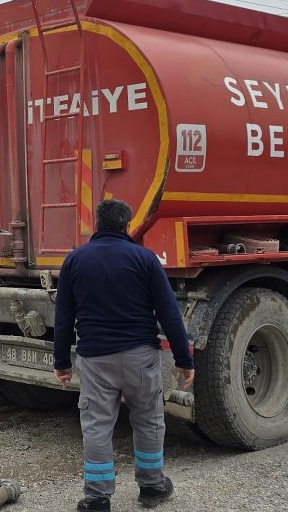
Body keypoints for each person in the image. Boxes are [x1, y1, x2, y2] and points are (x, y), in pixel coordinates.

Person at [52, 199, 195, 512]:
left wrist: (61, 362)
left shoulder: (75, 260)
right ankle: (152, 486)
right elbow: (169, 312)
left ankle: (97, 498)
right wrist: (185, 360)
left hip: (95, 360)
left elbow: (63, 316)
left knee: (97, 425)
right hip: (140, 357)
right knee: (148, 419)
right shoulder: (144, 258)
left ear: (97, 224)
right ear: (127, 225)